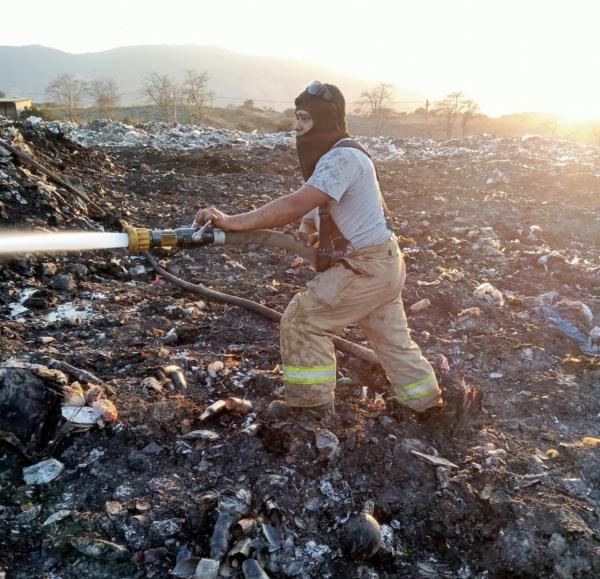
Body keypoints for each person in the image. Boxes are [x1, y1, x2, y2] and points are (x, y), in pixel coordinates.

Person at [193, 81, 441, 417]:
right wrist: (309, 228)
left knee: (302, 321)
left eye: (305, 118)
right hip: (386, 263)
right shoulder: (343, 156)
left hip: (366, 267)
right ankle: (427, 406)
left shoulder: (342, 158)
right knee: (392, 341)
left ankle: (311, 412)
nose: (296, 126)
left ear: (324, 120)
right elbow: (318, 205)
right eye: (297, 117)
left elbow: (297, 202)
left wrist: (233, 221)